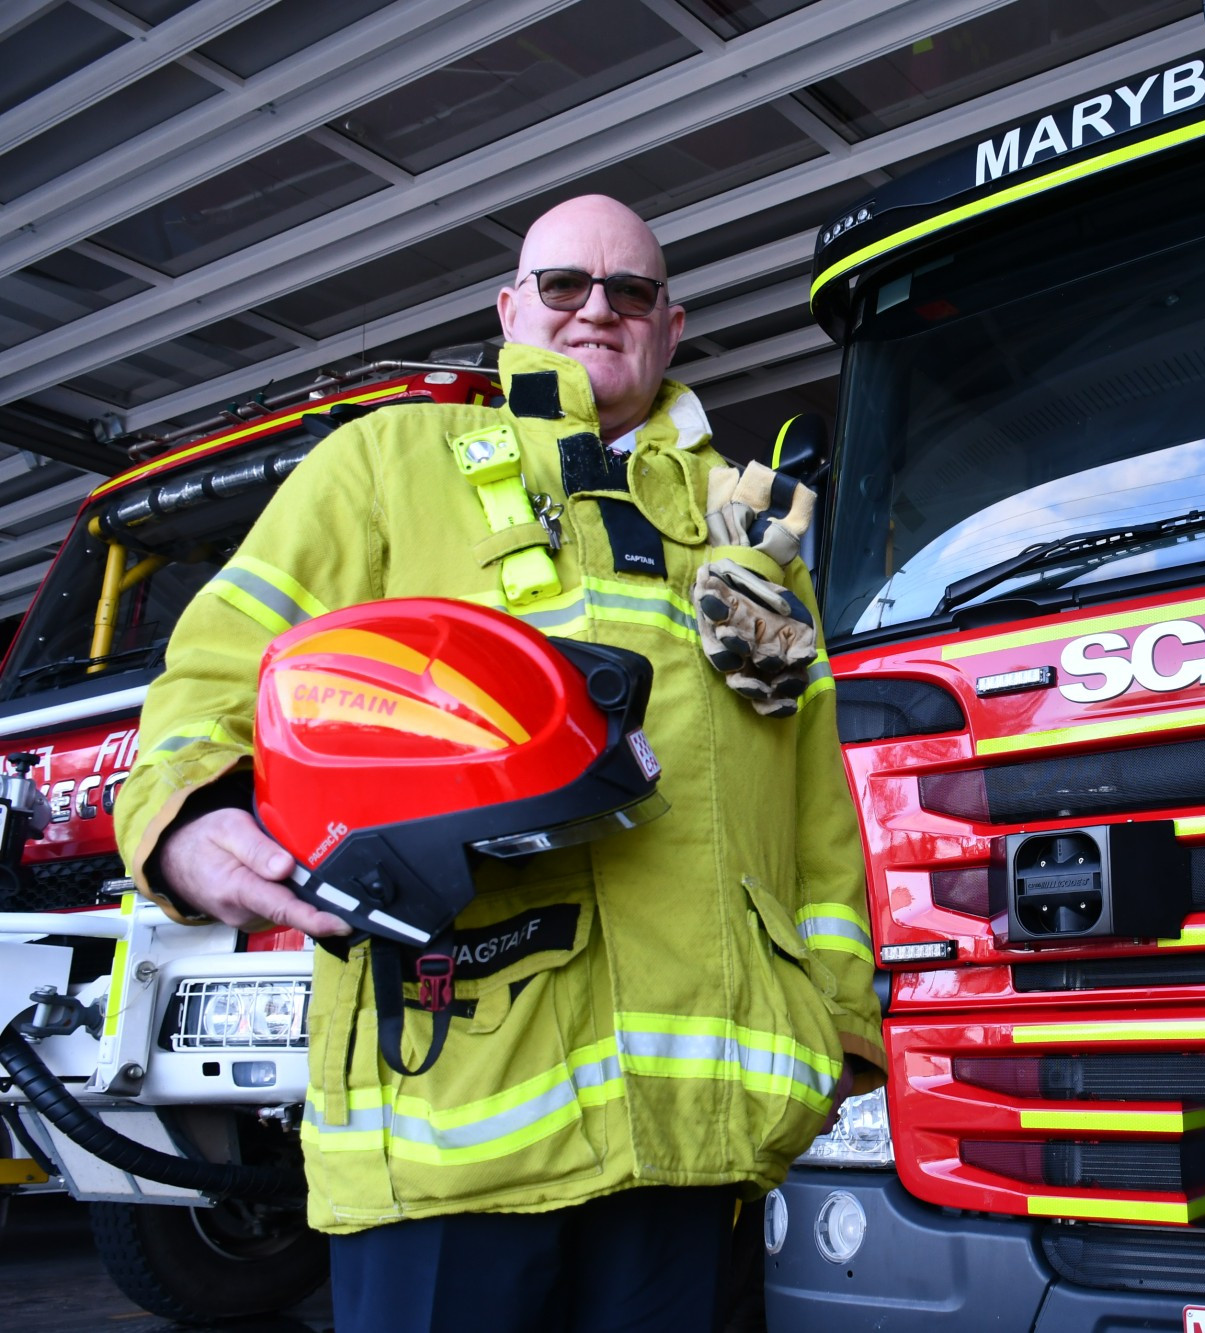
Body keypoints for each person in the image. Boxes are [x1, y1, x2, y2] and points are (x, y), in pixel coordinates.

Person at [112, 195, 884, 1333]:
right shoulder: (385, 459)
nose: (595, 312)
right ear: (510, 309)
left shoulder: (753, 522)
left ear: (670, 325)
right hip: (452, 1120)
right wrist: (188, 817)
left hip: (702, 1139)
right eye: (564, 286)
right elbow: (221, 667)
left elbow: (809, 793)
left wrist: (838, 1029)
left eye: (629, 292)